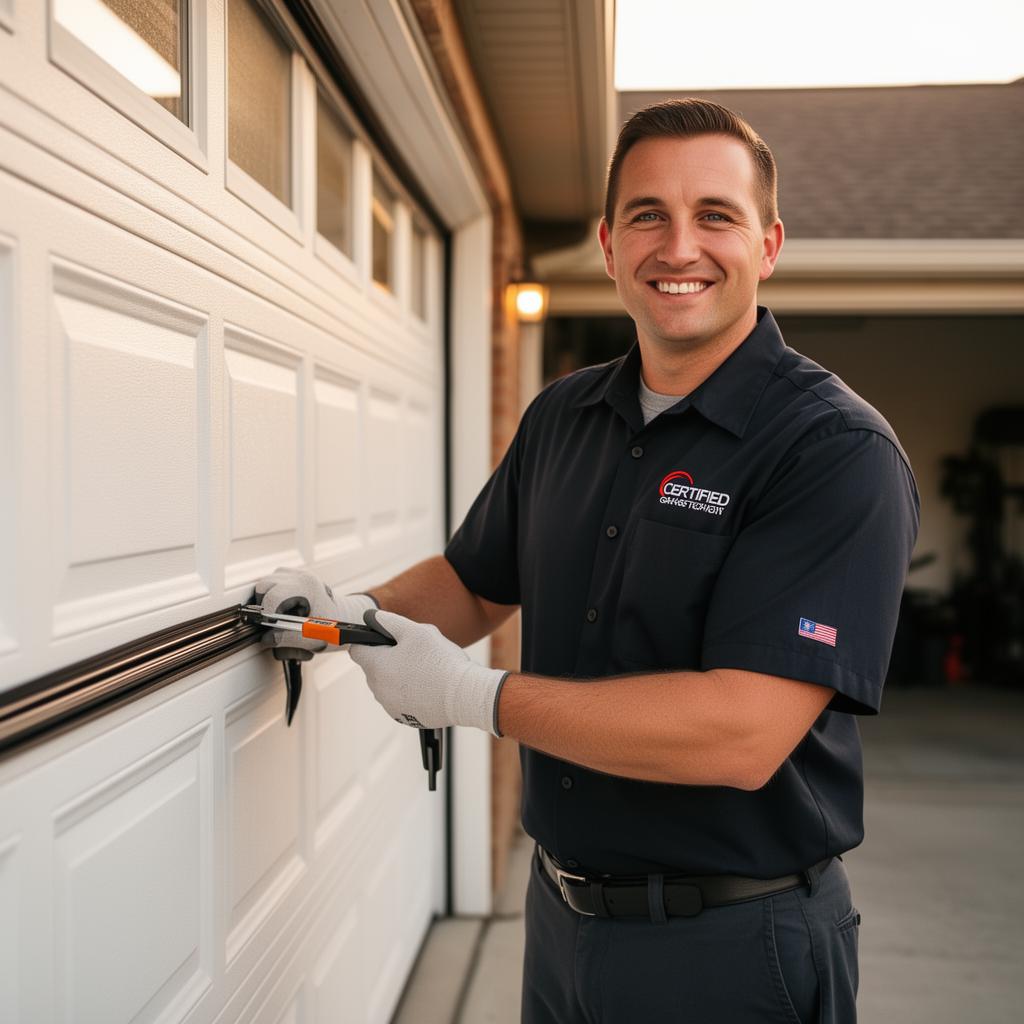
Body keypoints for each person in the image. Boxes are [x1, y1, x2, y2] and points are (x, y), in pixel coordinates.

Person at [255, 99, 919, 1023]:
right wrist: (332, 616)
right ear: (610, 245)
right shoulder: (563, 417)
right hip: (561, 922)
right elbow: (471, 584)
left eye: (714, 216)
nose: (678, 246)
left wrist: (473, 698)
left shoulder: (832, 451)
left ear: (767, 245)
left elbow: (743, 731)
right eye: (648, 214)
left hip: (730, 948)